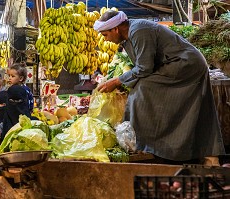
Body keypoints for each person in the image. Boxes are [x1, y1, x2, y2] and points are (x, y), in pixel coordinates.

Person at [93, 10, 225, 164]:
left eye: (105, 35)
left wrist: (117, 81)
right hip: (178, 64)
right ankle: (160, 144)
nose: (106, 39)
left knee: (141, 91)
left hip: (186, 64)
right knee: (145, 90)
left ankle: (143, 144)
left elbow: (144, 68)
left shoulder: (138, 31)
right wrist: (124, 82)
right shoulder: (129, 36)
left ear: (115, 29)